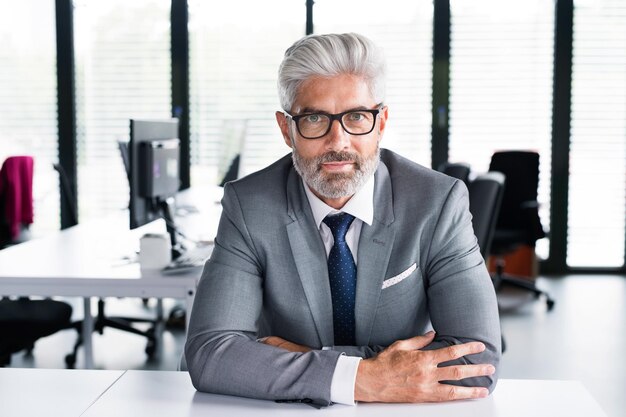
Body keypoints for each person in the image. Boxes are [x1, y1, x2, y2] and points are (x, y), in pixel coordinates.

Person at [186, 32, 501, 407]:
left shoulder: (436, 202)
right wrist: (367, 377)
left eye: (356, 117)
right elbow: (210, 354)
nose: (338, 141)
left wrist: (305, 360)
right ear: (287, 129)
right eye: (315, 118)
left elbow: (477, 360)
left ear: (381, 123)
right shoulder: (249, 205)